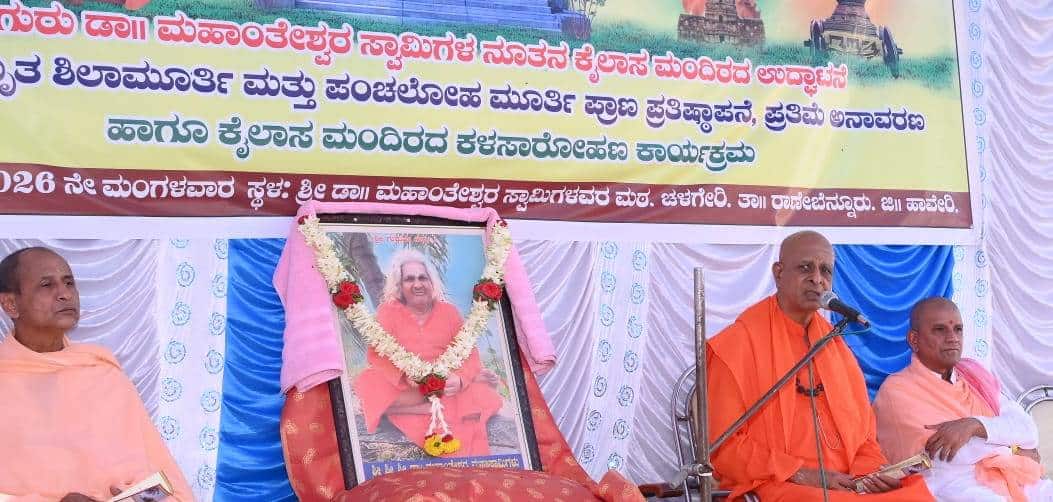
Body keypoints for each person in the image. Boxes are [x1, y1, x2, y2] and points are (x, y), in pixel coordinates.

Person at [706, 231, 934, 501]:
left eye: (825, 270)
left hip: (847, 482)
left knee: (916, 493)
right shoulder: (737, 344)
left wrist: (869, 474)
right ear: (778, 273)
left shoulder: (835, 346)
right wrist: (802, 473)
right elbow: (724, 448)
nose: (817, 279)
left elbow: (865, 438)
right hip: (779, 481)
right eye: (805, 267)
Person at [0, 247, 192, 502]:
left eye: (69, 283)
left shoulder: (103, 375)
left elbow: (164, 487)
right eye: (47, 285)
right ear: (11, 304)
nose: (65, 293)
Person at [873, 297, 1052, 501]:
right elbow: (946, 456)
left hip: (1008, 475)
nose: (953, 338)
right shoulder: (897, 390)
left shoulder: (973, 376)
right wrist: (1011, 447)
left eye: (958, 329)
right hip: (949, 486)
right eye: (940, 330)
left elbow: (1028, 429)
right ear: (914, 340)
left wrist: (974, 425)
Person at [352, 249, 503, 457]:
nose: (417, 284)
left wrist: (460, 379)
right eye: (409, 279)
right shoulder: (387, 311)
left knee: (482, 392)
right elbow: (377, 355)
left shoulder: (448, 312)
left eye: (422, 278)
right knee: (368, 382)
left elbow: (469, 352)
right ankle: (425, 405)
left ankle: (404, 409)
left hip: (444, 383)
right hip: (408, 386)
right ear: (399, 285)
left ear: (431, 282)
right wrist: (406, 376)